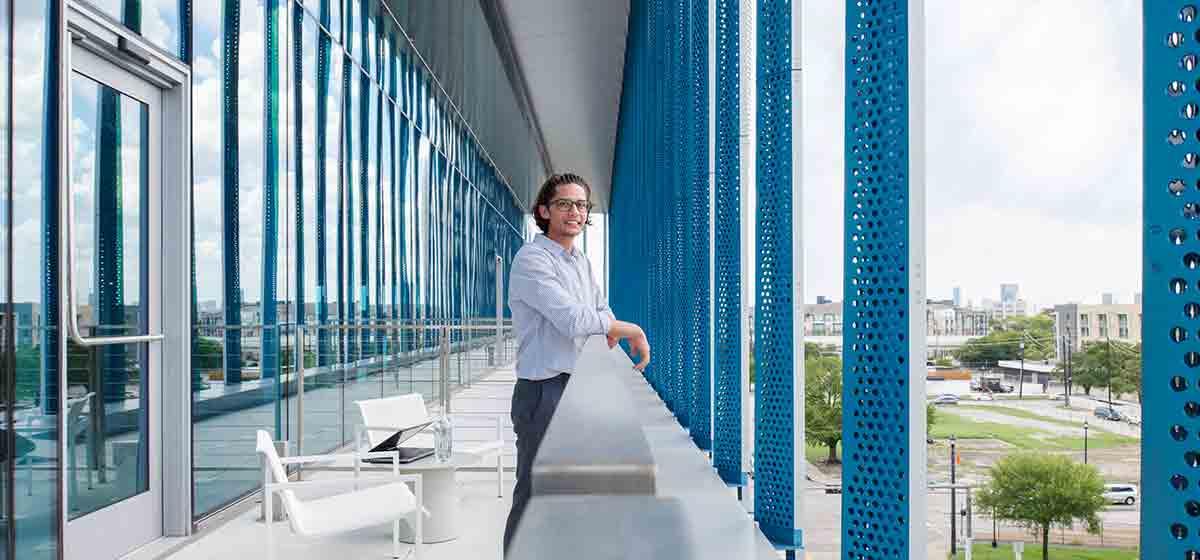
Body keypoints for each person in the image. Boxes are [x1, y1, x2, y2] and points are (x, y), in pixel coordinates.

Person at [501, 173, 650, 553]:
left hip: (578, 388)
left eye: (581, 205)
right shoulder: (531, 259)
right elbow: (571, 319)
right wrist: (629, 328)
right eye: (565, 204)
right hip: (544, 391)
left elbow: (599, 309)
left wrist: (611, 325)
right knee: (534, 495)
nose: (575, 212)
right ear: (544, 211)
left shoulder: (580, 261)